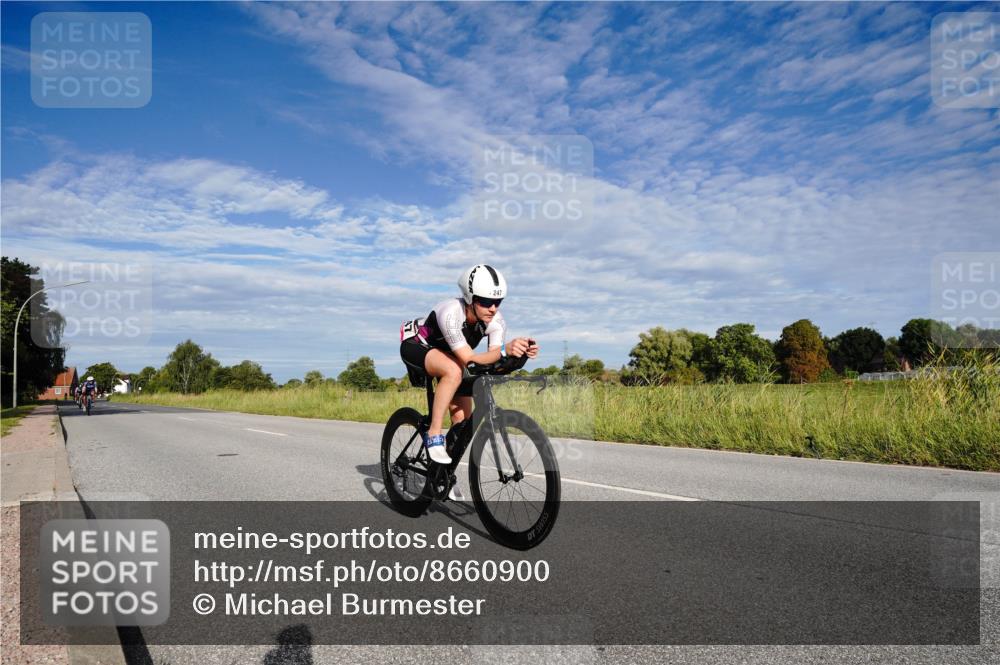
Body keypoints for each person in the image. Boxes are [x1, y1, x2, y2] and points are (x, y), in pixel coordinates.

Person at [400, 264, 539, 467]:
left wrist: (518, 356)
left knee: (462, 422)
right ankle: (434, 433)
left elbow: (493, 362)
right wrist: (504, 350)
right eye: (486, 302)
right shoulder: (451, 313)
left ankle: (442, 474)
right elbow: (470, 360)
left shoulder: (496, 322)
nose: (493, 308)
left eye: (498, 302)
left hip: (450, 353)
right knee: (454, 371)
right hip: (417, 345)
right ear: (469, 298)